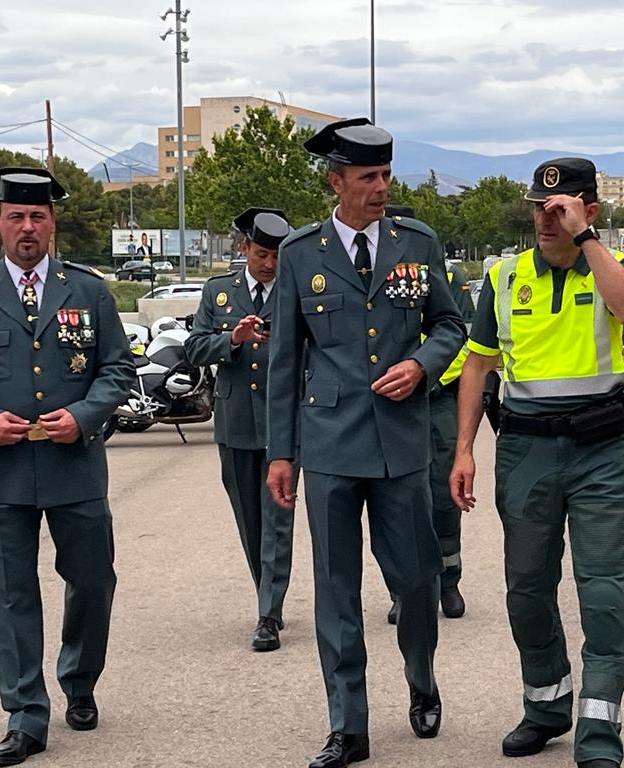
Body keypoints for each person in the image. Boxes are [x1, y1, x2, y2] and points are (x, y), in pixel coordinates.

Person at [265, 118, 465, 768]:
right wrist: (280, 452)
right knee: (336, 588)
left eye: (385, 175)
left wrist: (423, 365)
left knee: (415, 583)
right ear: (337, 180)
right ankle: (348, 726)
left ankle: (421, 676)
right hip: (328, 448)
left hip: (401, 447)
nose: (381, 188)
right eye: (367, 177)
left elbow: (450, 323)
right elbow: (282, 364)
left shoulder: (417, 243)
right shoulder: (300, 253)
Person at [0, 167, 135, 767]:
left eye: (37, 216)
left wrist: (87, 414)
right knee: (13, 594)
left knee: (93, 581)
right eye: (15, 216)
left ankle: (80, 677)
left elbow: (118, 370)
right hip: (1, 471)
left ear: (52, 224)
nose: (26, 227)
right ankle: (25, 713)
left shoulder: (88, 291)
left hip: (74, 466)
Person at [450, 158, 624, 768]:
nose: (545, 216)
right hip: (527, 450)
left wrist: (587, 240)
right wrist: (464, 450)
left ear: (587, 209)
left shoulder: (608, 269)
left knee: (604, 596)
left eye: (559, 206)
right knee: (527, 590)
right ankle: (546, 706)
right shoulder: (505, 278)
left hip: (601, 452)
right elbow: (478, 365)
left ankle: (598, 733)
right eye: (539, 206)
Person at [184, 207, 296, 652]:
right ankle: (267, 594)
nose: (270, 265)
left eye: (277, 257)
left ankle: (268, 612)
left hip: (282, 421)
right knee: (250, 521)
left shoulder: (294, 291)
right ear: (245, 249)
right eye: (263, 254)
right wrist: (233, 339)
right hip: (236, 423)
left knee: (277, 519)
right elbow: (193, 349)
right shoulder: (220, 293)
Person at [384, 202, 473, 625]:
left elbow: (462, 336)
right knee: (395, 502)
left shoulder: (448, 276)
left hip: (437, 399)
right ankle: (403, 590)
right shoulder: (366, 270)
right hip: (389, 401)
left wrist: (429, 374)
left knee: (443, 497)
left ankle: (449, 579)